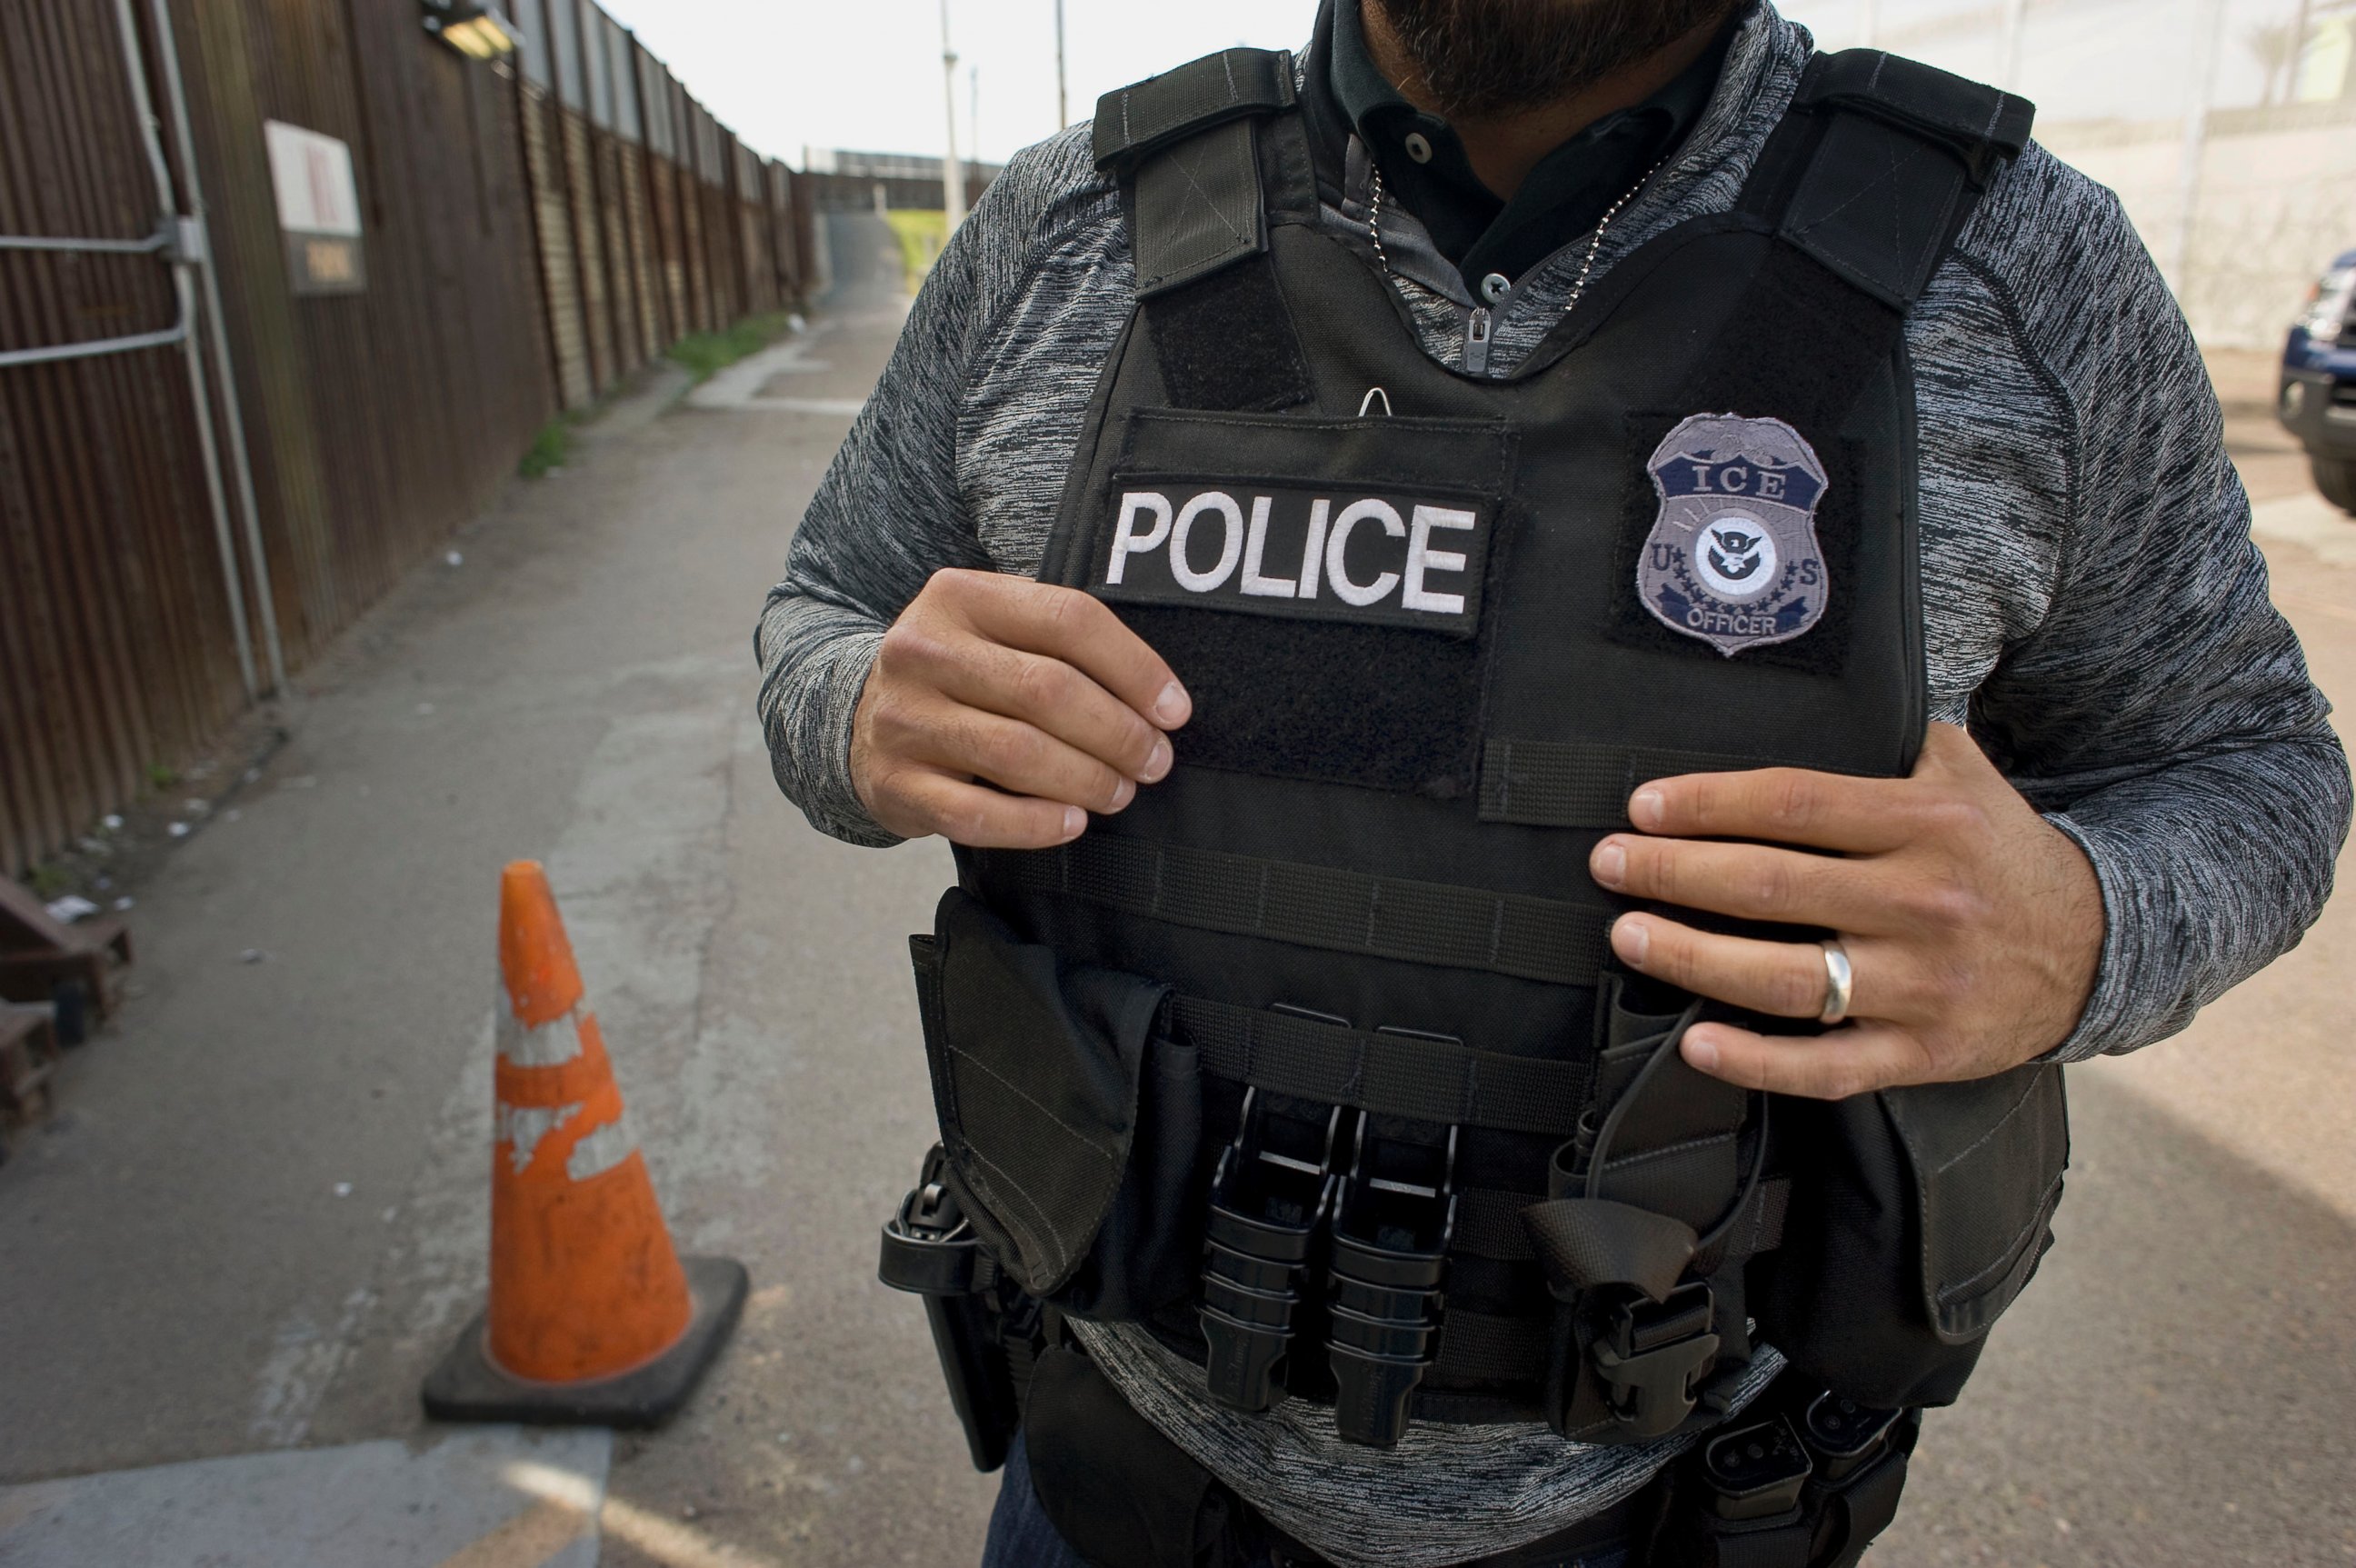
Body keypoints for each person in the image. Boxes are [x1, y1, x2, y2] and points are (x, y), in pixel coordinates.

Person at [757, 1, 2351, 1563]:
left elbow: (2245, 764)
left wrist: (2083, 926)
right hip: (1114, 1452)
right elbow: (826, 609)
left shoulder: (2009, 270)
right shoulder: (1068, 229)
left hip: (1679, 1490)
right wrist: (854, 714)